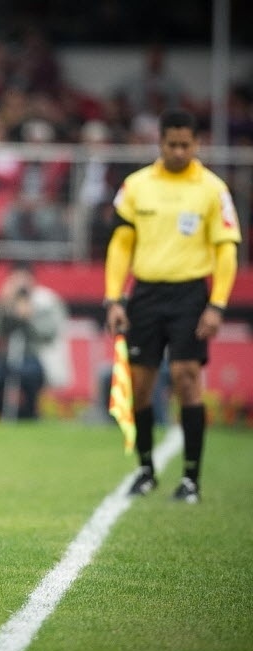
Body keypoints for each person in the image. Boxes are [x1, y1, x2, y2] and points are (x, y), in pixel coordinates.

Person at [104, 108, 242, 504]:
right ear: (160, 143)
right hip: (145, 293)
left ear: (196, 144)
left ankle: (191, 480)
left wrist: (216, 305)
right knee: (141, 385)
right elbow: (120, 246)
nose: (179, 151)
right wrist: (114, 297)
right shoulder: (135, 186)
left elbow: (226, 250)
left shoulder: (213, 190)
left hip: (190, 295)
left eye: (186, 144)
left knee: (185, 377)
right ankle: (146, 471)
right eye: (172, 144)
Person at [0, 262, 68, 420]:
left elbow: (49, 333)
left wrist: (29, 318)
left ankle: (31, 412)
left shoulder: (45, 301)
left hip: (34, 355)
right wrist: (2, 306)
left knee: (29, 375)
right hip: (5, 357)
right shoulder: (6, 300)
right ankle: (3, 412)